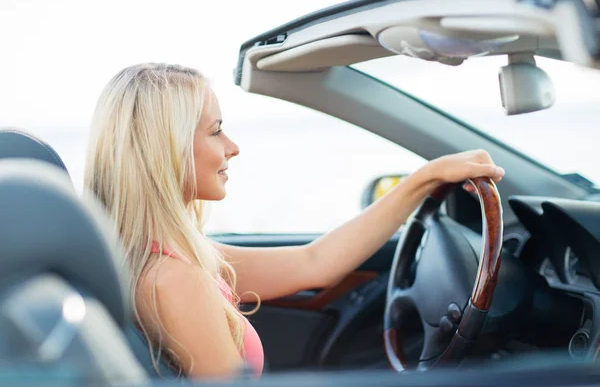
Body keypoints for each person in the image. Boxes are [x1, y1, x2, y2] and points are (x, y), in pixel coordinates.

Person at [84, 63, 504, 380]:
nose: (233, 148)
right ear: (167, 150)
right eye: (215, 131)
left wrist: (424, 178)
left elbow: (315, 263)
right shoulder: (173, 280)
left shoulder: (167, 258)